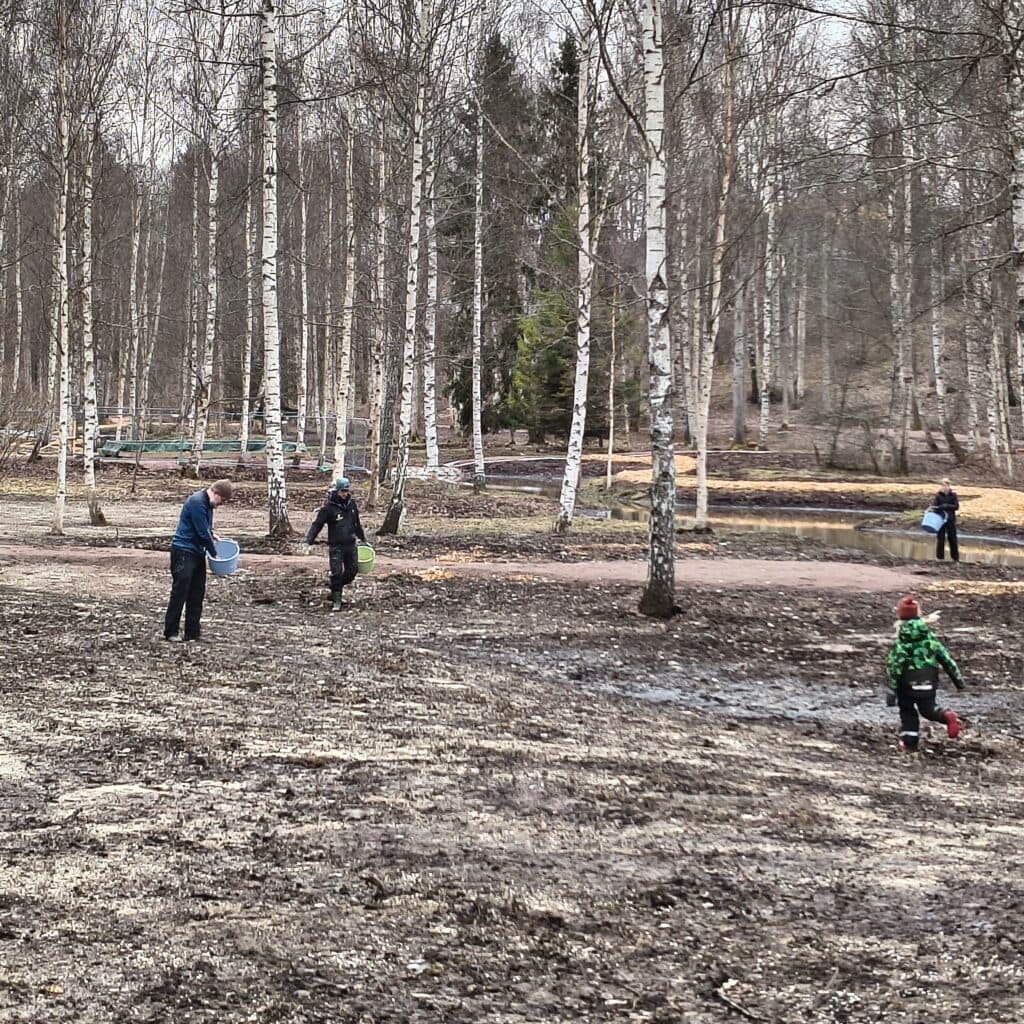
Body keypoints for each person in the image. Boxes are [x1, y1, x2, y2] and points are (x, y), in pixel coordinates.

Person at [886, 595, 965, 752]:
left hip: (907, 684)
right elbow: (946, 659)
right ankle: (946, 715)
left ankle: (910, 744)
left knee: (908, 712)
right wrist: (958, 681)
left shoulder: (902, 642)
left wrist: (891, 691)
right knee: (928, 709)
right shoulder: (930, 639)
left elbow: (895, 666)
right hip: (928, 681)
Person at [163, 479, 233, 642]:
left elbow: (205, 527)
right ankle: (171, 631)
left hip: (196, 552)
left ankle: (192, 632)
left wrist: (212, 533)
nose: (221, 504)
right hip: (183, 551)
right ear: (216, 493)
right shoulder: (197, 502)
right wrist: (214, 553)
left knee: (197, 592)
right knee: (180, 591)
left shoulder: (208, 504)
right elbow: (202, 533)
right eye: (222, 500)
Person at [304, 477, 367, 611]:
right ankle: (336, 601)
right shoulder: (328, 508)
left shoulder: (351, 504)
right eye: (342, 491)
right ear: (337, 491)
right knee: (337, 573)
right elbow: (317, 524)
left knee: (352, 572)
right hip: (336, 546)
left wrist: (363, 539)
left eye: (346, 491)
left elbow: (357, 523)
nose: (345, 493)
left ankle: (334, 588)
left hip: (351, 544)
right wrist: (309, 540)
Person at [931, 477, 959, 562]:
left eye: (946, 485)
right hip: (941, 519)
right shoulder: (938, 495)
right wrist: (939, 508)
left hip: (950, 519)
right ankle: (940, 558)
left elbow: (956, 506)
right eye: (942, 485)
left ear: (949, 486)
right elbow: (934, 507)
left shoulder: (953, 495)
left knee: (952, 538)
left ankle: (955, 558)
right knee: (941, 539)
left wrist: (947, 506)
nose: (944, 487)